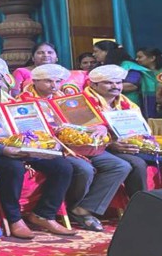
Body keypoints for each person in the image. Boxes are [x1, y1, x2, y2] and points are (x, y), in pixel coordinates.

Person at [0, 61, 76, 239]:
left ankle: (44, 214)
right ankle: (14, 219)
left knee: (63, 166)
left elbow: (24, 127)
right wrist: (2, 149)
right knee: (13, 168)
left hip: (18, 146)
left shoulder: (10, 100)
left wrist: (39, 143)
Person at [21, 64, 129, 233]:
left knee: (120, 166)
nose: (54, 85)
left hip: (83, 145)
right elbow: (27, 132)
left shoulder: (68, 99)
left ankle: (83, 209)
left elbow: (90, 120)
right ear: (34, 81)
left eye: (57, 81)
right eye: (48, 81)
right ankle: (74, 208)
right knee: (85, 169)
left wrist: (101, 127)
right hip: (57, 148)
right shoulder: (23, 101)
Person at [84, 65, 160, 200]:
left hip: (127, 145)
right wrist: (111, 143)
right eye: (108, 82)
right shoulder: (83, 103)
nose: (115, 86)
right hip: (100, 149)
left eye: (118, 82)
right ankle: (140, 208)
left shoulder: (125, 102)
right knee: (137, 163)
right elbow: (85, 133)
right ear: (93, 85)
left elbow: (139, 128)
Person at [93, 40, 157, 118]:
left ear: (106, 52)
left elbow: (132, 85)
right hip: (108, 105)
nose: (94, 54)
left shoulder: (127, 65)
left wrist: (105, 87)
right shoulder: (99, 67)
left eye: (96, 51)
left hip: (128, 104)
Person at [12, 42, 87, 96]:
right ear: (33, 58)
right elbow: (14, 94)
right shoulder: (21, 72)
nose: (46, 55)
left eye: (50, 52)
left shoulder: (65, 74)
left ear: (56, 58)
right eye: (40, 53)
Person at [134, 47, 162, 117]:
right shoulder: (139, 71)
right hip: (146, 104)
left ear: (152, 58)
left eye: (140, 57)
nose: (137, 60)